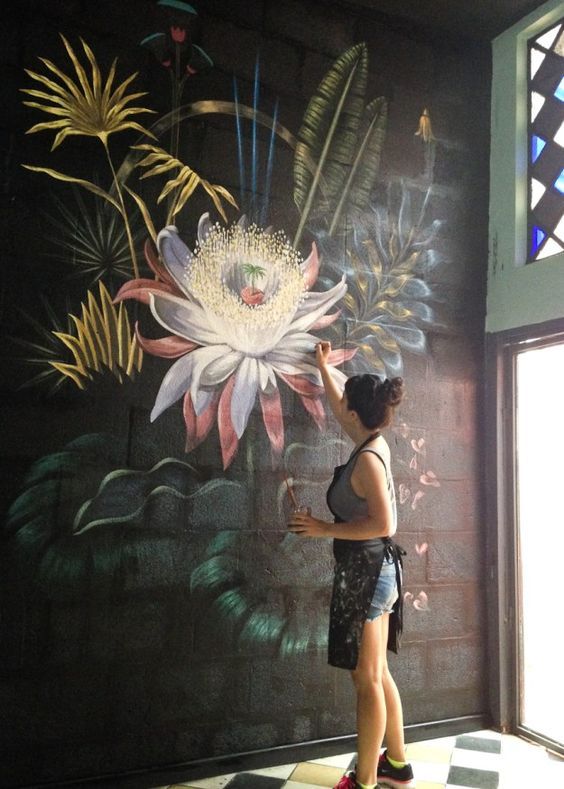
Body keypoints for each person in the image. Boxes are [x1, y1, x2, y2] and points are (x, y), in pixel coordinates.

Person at [287, 341, 415, 789]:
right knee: (377, 673)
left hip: (370, 576)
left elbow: (385, 523)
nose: (340, 409)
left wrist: (323, 528)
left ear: (358, 415)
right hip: (372, 573)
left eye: (346, 405)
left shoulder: (368, 462)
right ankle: (396, 765)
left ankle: (364, 781)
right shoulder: (369, 437)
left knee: (367, 681)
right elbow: (343, 405)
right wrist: (324, 367)